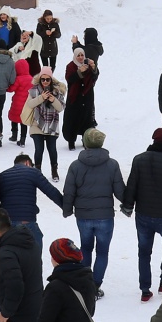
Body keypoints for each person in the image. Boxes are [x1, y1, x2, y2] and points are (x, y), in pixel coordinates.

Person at [124, 127, 162, 302]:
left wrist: (128, 206)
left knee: (144, 251)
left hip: (143, 214)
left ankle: (145, 289)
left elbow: (132, 185)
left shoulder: (139, 159)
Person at [62, 128, 125, 299]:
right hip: (105, 216)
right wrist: (128, 204)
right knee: (102, 252)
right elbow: (120, 190)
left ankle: (85, 284)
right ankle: (96, 286)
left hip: (83, 216)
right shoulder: (112, 164)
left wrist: (67, 209)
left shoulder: (76, 165)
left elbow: (69, 191)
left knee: (86, 249)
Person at [0, 153, 61, 251]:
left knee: (11, 257)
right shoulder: (32, 172)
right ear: (28, 163)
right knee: (34, 258)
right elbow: (51, 191)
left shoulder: (2, 175)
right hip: (26, 222)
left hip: (7, 225)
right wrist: (67, 207)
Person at [21, 67, 66, 179]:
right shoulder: (34, 90)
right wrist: (41, 98)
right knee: (39, 149)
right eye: (43, 79)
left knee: (52, 149)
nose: (45, 82)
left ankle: (54, 171)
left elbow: (60, 108)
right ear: (40, 79)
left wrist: (53, 100)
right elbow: (30, 104)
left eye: (47, 79)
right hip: (37, 124)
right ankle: (37, 171)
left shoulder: (57, 91)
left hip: (52, 124)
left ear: (51, 79)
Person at [62, 48, 99, 150]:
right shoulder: (70, 66)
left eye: (82, 55)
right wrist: (79, 72)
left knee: (86, 119)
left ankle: (85, 140)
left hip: (87, 96)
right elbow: (69, 79)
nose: (80, 57)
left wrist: (94, 68)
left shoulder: (88, 64)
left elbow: (94, 77)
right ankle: (71, 141)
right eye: (78, 55)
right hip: (75, 97)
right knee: (72, 120)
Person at [8, 58, 33, 147]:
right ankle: (22, 140)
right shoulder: (31, 78)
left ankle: (14, 135)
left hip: (17, 103)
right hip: (27, 104)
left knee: (14, 119)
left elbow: (12, 89)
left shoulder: (18, 79)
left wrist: (7, 87)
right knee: (24, 122)